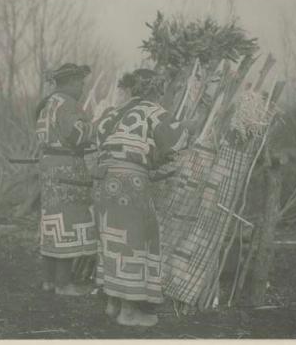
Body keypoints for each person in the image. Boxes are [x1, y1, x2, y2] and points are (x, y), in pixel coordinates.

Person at [93, 68, 196, 326]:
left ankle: (112, 303)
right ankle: (129, 312)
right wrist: (189, 126)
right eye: (161, 90)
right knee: (135, 239)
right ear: (154, 89)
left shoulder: (113, 113)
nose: (162, 94)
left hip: (105, 182)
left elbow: (97, 138)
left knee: (112, 238)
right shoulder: (154, 111)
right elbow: (176, 141)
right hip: (131, 182)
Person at [35, 63, 97, 296]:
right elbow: (76, 134)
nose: (82, 88)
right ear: (70, 83)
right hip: (67, 170)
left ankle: (48, 281)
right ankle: (64, 285)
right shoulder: (67, 105)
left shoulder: (47, 104)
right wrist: (98, 126)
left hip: (50, 168)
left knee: (52, 223)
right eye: (80, 83)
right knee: (68, 222)